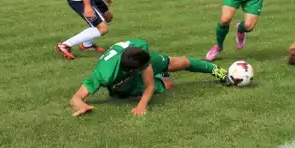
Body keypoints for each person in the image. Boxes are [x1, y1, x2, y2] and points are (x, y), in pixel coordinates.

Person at [69, 38, 230, 117]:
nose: (147, 68)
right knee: (166, 85)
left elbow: (149, 86)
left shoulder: (139, 48)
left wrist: (142, 105)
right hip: (124, 82)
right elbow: (76, 97)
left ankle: (216, 70)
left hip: (139, 61)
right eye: (145, 69)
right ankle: (162, 78)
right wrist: (81, 106)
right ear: (133, 70)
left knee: (179, 62)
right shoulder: (104, 74)